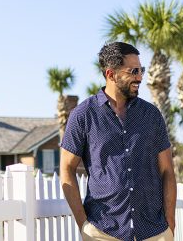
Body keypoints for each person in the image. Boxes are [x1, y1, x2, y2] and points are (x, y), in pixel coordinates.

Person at [60, 42, 176, 241]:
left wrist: (170, 223)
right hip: (103, 232)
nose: (140, 77)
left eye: (141, 70)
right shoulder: (84, 115)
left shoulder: (151, 115)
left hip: (154, 232)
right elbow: (66, 169)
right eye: (133, 71)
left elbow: (167, 170)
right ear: (110, 74)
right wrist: (84, 225)